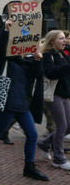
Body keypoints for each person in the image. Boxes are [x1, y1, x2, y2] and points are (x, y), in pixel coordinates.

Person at [0, 19, 48, 181]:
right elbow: (1, 48)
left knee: (32, 135)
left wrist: (37, 60)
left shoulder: (28, 60)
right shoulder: (5, 59)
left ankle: (29, 167)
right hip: (7, 103)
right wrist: (6, 30)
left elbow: (35, 75)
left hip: (22, 103)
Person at [36, 30, 70, 170]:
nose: (65, 41)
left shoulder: (63, 53)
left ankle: (44, 143)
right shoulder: (47, 55)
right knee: (61, 126)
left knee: (68, 126)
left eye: (65, 38)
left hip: (65, 94)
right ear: (52, 41)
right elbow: (51, 73)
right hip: (53, 95)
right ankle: (59, 158)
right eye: (61, 39)